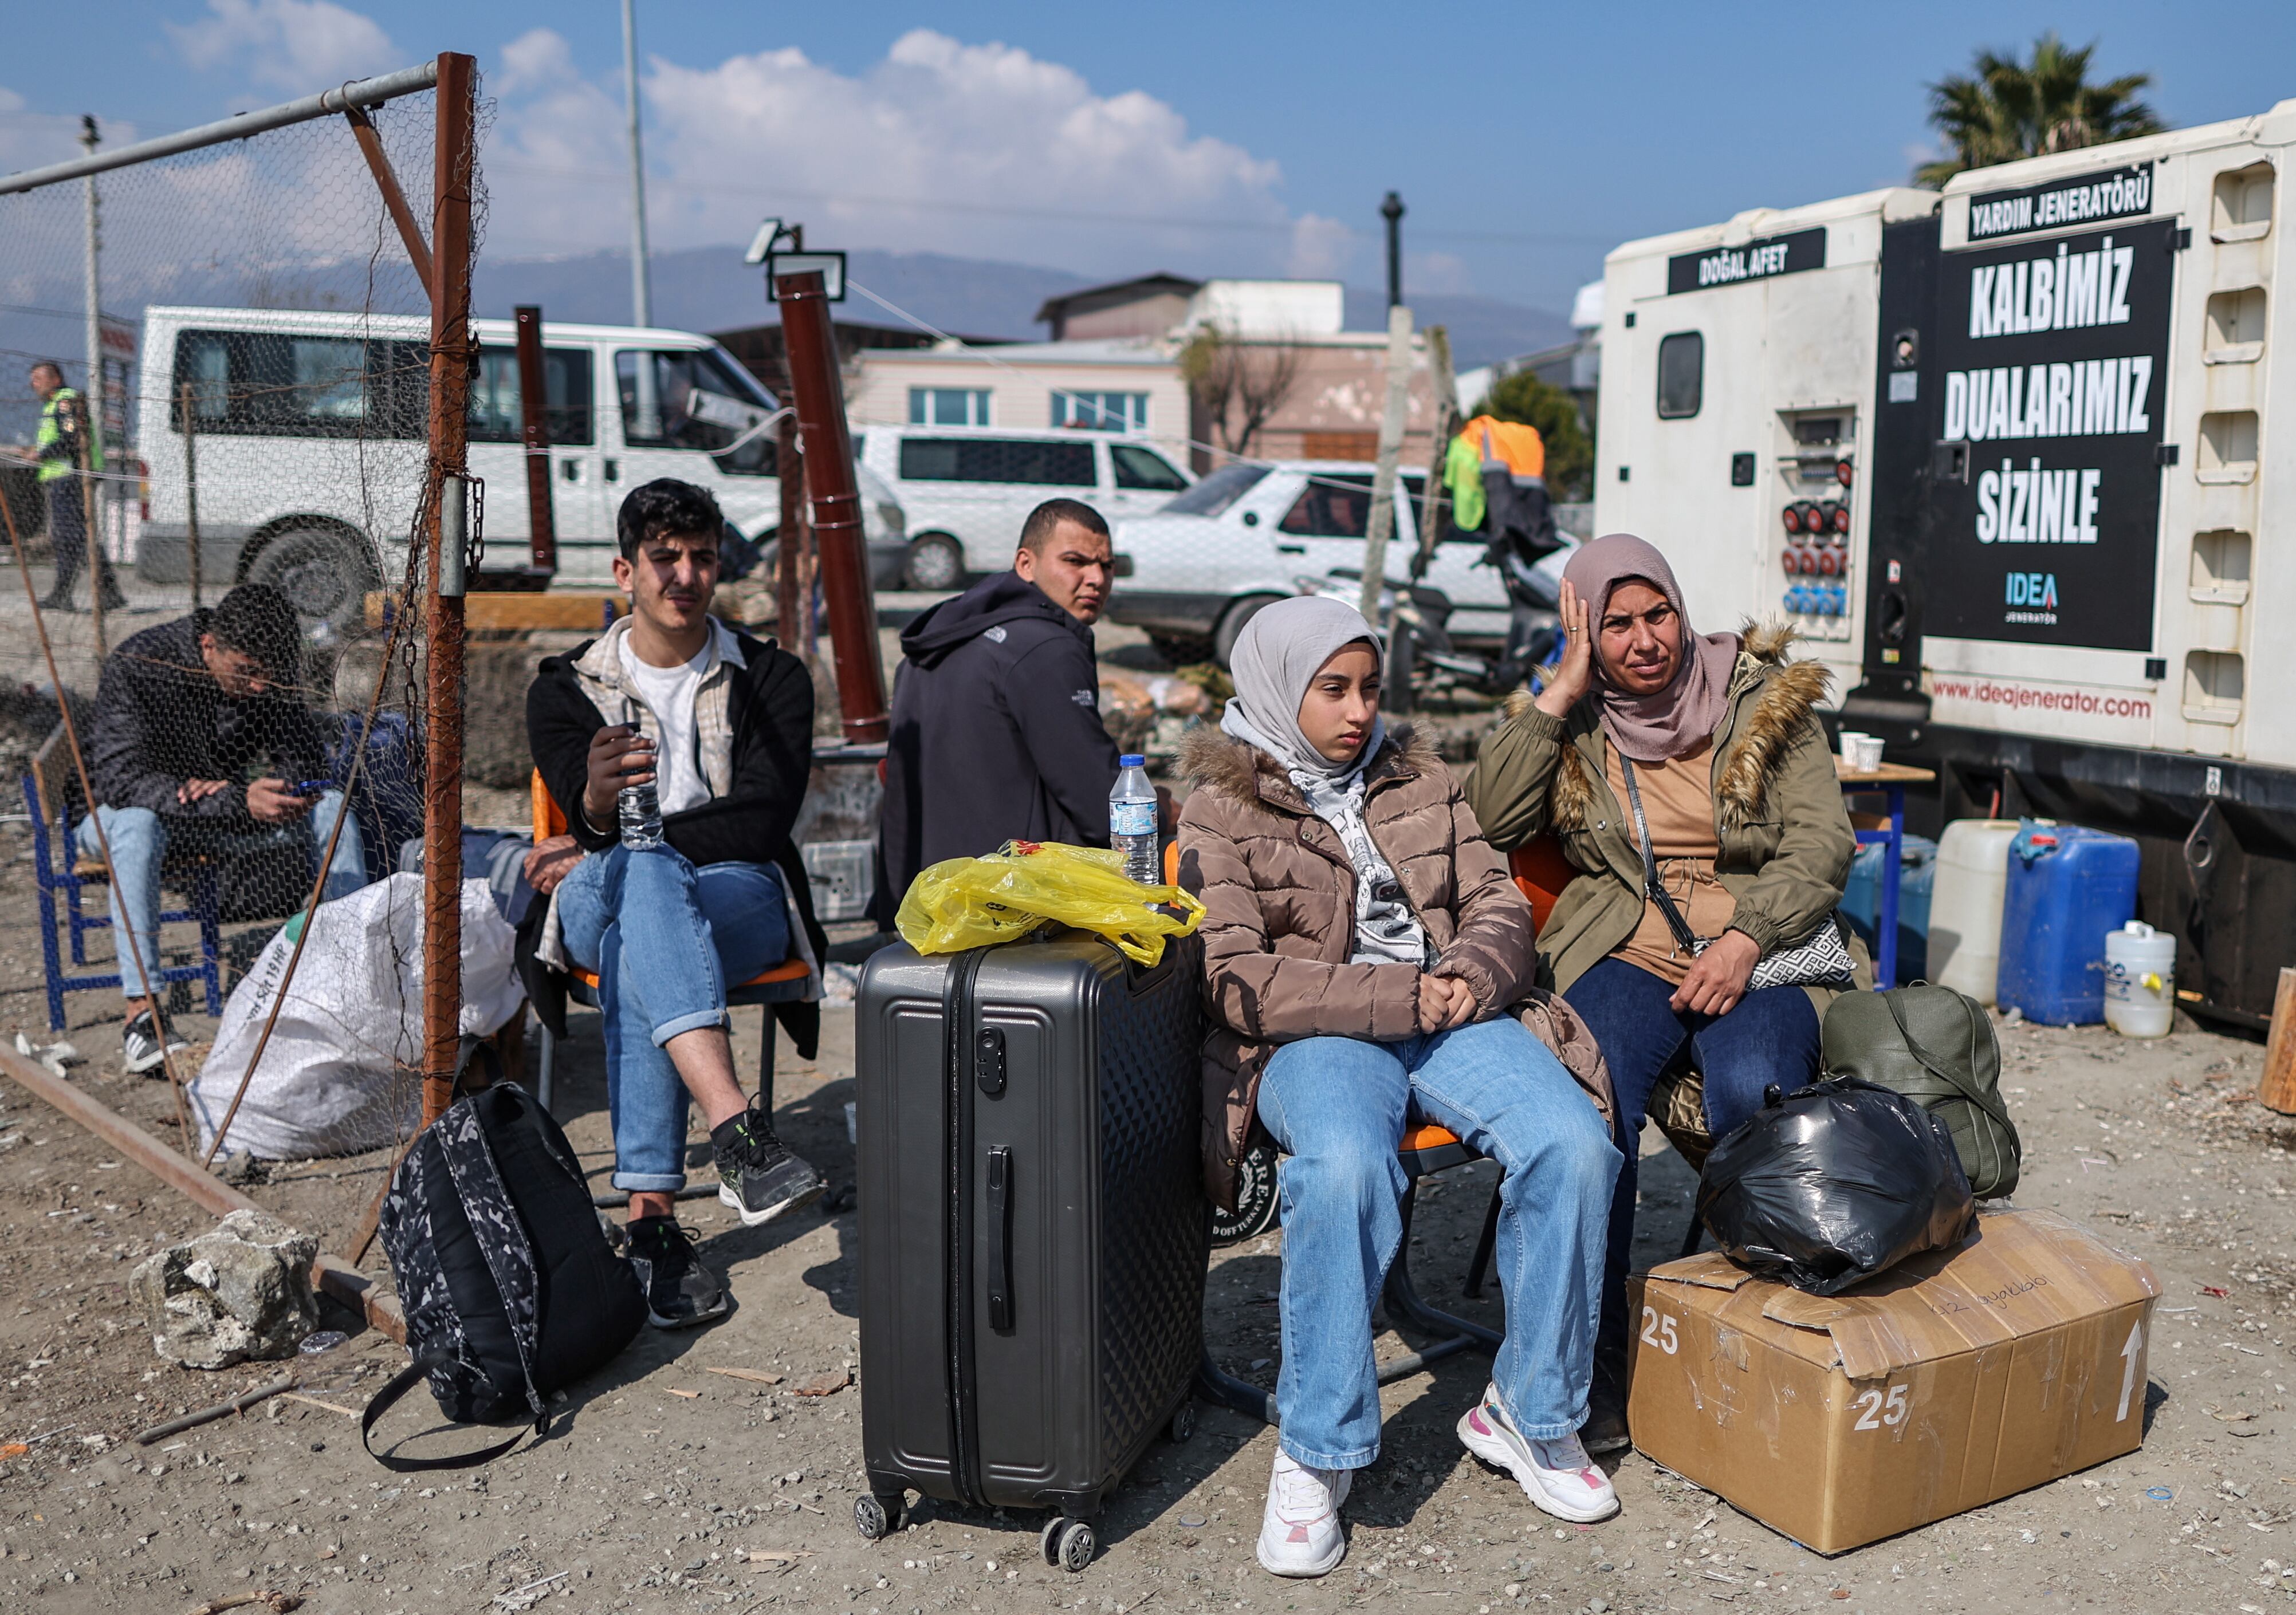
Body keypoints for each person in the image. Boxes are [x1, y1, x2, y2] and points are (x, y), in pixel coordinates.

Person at [1176, 595, 1621, 1580]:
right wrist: (1398, 997)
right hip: (1321, 1034)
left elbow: (1496, 898)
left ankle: (1530, 1410)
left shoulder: (1419, 776)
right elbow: (1233, 976)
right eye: (1330, 689)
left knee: (1574, 1144)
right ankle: (1316, 1446)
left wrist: (1475, 974)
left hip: (1450, 1012)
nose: (1356, 711)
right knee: (1339, 1168)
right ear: (1274, 687)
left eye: (1369, 688)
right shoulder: (1218, 805)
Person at [1465, 531, 1861, 1452]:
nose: (1645, 640)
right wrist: (1560, 690)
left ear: (1683, 610)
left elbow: (1822, 847)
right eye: (1616, 625)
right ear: (1587, 634)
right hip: (1627, 949)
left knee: (1752, 1098)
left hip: (1759, 949)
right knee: (1589, 1112)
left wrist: (1746, 937)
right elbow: (1483, 821)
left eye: (1659, 615)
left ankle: (1764, 1350)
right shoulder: (1580, 722)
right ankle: (1591, 1371)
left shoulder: (1768, 702)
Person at [526, 477, 829, 1329]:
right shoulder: (563, 688)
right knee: (640, 878)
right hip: (596, 895)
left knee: (636, 940)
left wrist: (626, 833)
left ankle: (652, 1226)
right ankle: (736, 1129)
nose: (685, 576)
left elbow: (766, 819)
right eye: (665, 559)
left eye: (702, 558)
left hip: (738, 894)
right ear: (627, 570)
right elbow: (588, 826)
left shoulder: (771, 675)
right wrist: (591, 806)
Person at [82, 582, 365, 1073]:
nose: (259, 687)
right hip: (117, 813)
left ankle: (346, 977)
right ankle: (143, 1014)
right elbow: (120, 782)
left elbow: (307, 756)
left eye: (269, 676)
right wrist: (237, 797)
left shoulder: (266, 674)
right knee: (136, 827)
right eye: (248, 673)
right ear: (209, 645)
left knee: (333, 806)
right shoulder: (141, 662)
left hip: (213, 814)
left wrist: (290, 787)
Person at [874, 497, 1120, 923]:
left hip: (922, 900)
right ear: (1026, 564)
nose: (1095, 578)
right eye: (1075, 561)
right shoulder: (1046, 649)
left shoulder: (944, 637)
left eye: (1107, 566)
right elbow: (1099, 800)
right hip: (1011, 906)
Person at [26, 360, 124, 613]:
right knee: (78, 536)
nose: (32, 384)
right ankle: (104, 592)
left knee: (72, 537)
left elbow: (72, 440)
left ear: (55, 380)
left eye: (38, 378)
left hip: (70, 478)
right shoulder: (54, 405)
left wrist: (42, 455)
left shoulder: (65, 402)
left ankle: (71, 593)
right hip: (65, 477)